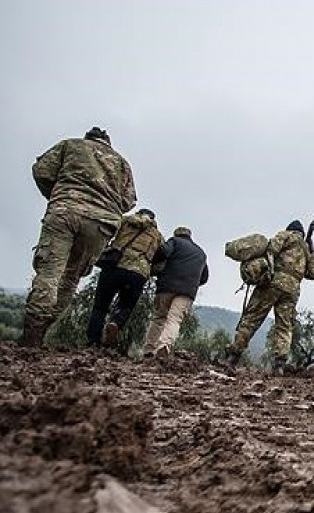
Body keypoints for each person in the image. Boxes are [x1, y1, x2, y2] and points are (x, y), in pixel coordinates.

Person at [21, 127, 137, 347]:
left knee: (50, 271)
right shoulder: (122, 163)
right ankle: (43, 329)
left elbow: (42, 171)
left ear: (88, 138)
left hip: (65, 211)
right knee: (70, 278)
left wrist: (57, 194)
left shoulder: (71, 145)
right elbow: (128, 201)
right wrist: (106, 208)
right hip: (100, 224)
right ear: (108, 143)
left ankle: (32, 334)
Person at [222, 221, 314, 374]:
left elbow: (272, 248)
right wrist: (311, 248)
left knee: (252, 319)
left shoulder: (286, 235)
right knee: (284, 326)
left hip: (273, 283)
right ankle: (279, 365)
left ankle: (232, 358)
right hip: (292, 291)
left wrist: (266, 268)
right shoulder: (306, 250)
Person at [85, 208, 164, 349]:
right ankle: (116, 323)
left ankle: (93, 340)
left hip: (114, 266)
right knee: (126, 305)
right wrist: (150, 269)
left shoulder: (125, 221)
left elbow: (106, 232)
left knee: (100, 306)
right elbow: (162, 258)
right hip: (138, 274)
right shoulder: (157, 236)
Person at [143, 226, 209, 357]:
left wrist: (153, 264)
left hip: (166, 287)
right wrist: (191, 283)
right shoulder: (201, 253)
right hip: (187, 292)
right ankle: (164, 345)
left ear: (177, 234)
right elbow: (204, 277)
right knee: (174, 319)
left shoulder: (174, 241)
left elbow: (163, 252)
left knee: (159, 318)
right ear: (190, 236)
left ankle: (149, 350)